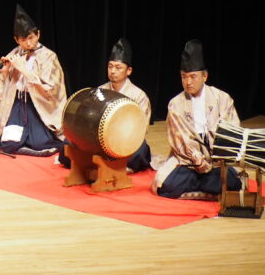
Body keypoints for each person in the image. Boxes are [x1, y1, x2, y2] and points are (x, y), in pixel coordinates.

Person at [151, 39, 242, 199]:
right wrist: (197, 159)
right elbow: (179, 139)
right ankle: (208, 187)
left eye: (193, 77)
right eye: (183, 77)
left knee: (235, 182)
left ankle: (201, 185)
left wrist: (210, 160)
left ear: (205, 76)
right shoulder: (175, 104)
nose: (188, 82)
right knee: (165, 186)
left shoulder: (222, 98)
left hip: (216, 162)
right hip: (187, 162)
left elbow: (232, 133)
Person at [0, 4, 67, 156]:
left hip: (37, 107)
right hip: (17, 105)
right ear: (16, 39)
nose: (28, 43)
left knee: (40, 143)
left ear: (38, 34)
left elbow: (53, 89)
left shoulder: (49, 56)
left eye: (31, 37)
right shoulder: (14, 54)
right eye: (23, 39)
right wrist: (4, 72)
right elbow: (3, 89)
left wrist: (24, 69)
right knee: (9, 144)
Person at [98, 37, 152, 172]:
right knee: (69, 145)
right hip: (103, 141)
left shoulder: (139, 96)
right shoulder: (100, 91)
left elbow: (141, 130)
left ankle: (114, 165)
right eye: (110, 66)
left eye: (118, 67)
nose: (113, 71)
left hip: (126, 142)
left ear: (129, 71)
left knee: (141, 150)